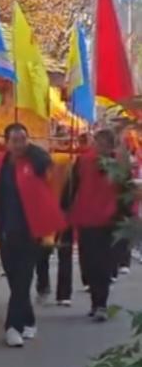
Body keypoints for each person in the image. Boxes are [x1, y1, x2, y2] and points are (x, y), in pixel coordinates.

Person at [0, 123, 63, 348]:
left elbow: (48, 164)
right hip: (5, 231)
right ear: (6, 142)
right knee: (15, 279)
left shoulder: (34, 161)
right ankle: (29, 320)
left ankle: (12, 327)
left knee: (23, 280)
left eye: (23, 139)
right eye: (14, 140)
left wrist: (32, 149)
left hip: (30, 232)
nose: (19, 144)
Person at [65, 127, 124, 321]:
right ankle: (95, 300)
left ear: (111, 146)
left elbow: (126, 191)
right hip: (85, 216)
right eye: (98, 143)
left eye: (105, 144)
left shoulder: (119, 164)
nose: (101, 147)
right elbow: (72, 187)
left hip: (109, 219)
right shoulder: (82, 161)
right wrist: (65, 210)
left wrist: (124, 216)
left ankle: (101, 304)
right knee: (88, 262)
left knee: (104, 264)